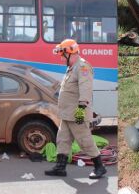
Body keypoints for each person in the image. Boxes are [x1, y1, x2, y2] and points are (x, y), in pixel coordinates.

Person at [45, 39, 106, 179]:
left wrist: (80, 113)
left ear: (69, 53)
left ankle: (99, 167)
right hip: (67, 114)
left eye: (62, 55)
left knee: (85, 140)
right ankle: (60, 167)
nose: (61, 58)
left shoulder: (83, 67)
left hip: (76, 113)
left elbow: (85, 90)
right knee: (62, 140)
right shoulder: (72, 67)